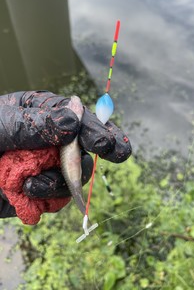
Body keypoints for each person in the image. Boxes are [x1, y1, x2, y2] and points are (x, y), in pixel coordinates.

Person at [0, 91, 132, 218]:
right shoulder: (65, 123)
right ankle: (83, 209)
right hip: (69, 161)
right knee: (72, 183)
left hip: (70, 158)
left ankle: (82, 206)